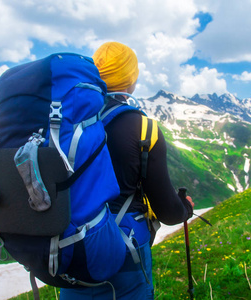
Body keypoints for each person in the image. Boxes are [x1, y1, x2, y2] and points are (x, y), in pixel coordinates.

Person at [59, 41, 194, 300]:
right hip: (125, 248)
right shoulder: (143, 128)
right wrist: (184, 207)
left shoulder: (67, 122)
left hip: (71, 246)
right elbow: (168, 212)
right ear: (131, 79)